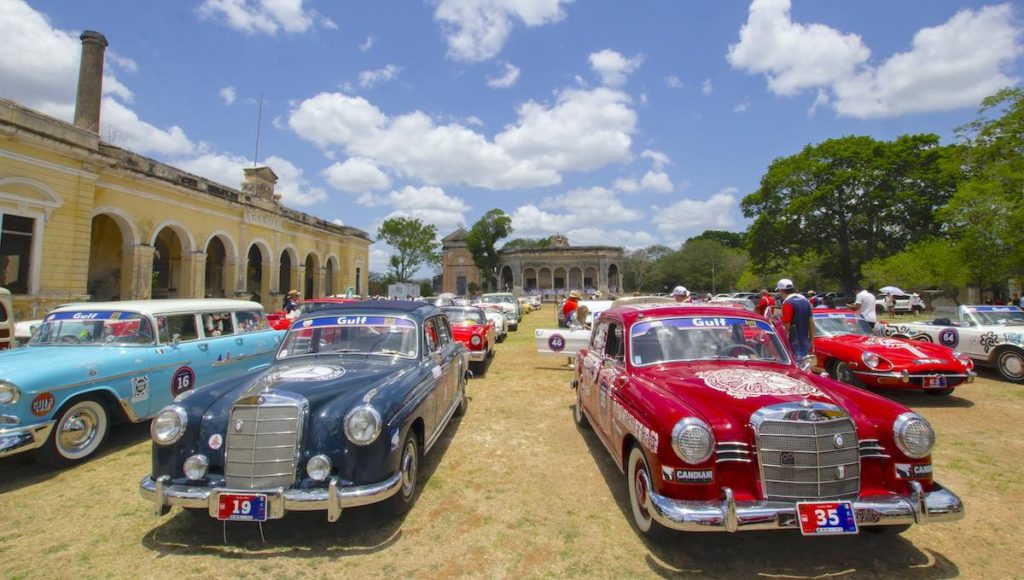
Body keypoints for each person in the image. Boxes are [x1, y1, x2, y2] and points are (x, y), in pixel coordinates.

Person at [777, 278, 815, 360]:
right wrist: (812, 341)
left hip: (793, 345)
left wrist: (780, 342)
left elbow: (786, 326)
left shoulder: (787, 303)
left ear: (781, 290)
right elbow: (811, 322)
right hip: (805, 343)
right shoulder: (805, 300)